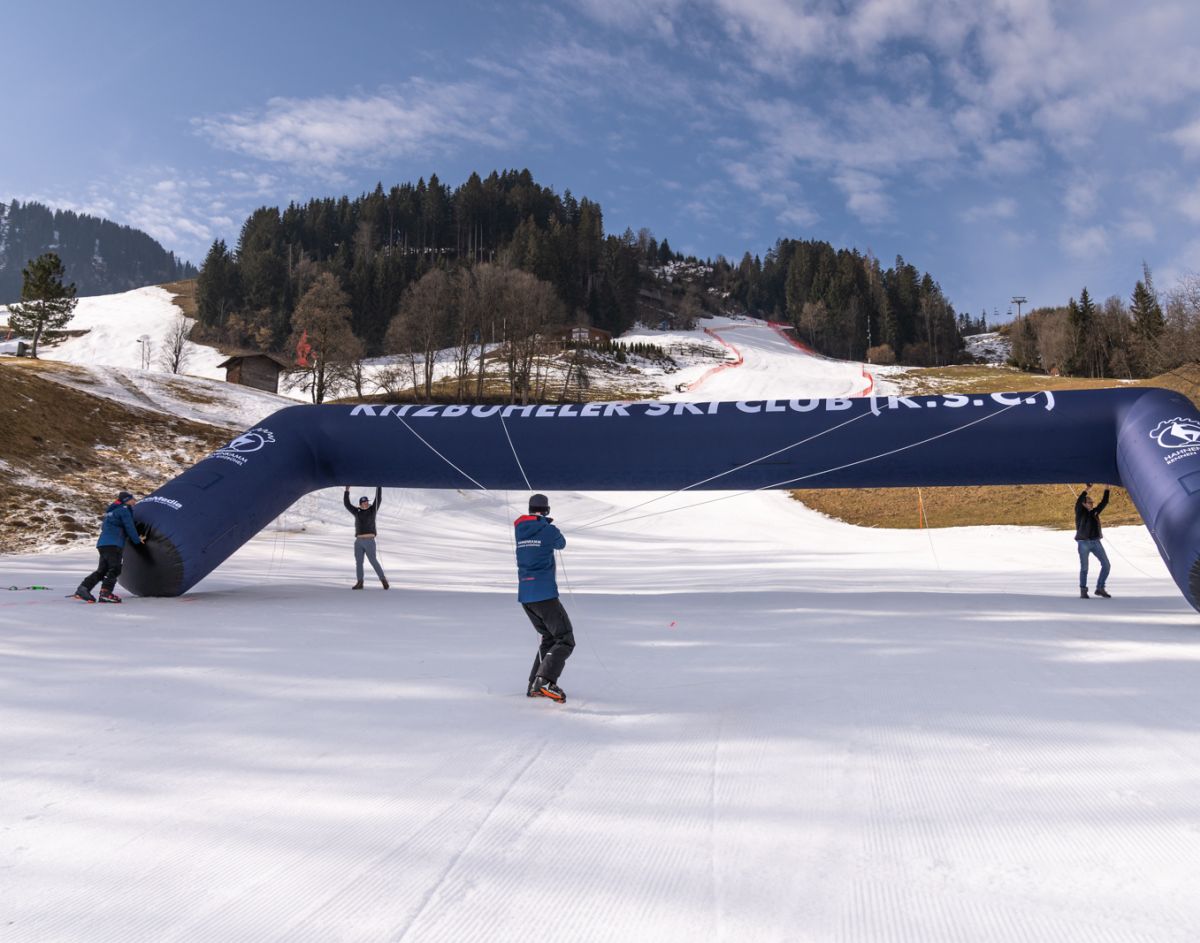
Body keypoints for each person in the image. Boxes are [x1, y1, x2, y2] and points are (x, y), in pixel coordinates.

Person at [515, 493, 574, 702]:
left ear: (530, 509)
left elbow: (535, 534)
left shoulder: (519, 530)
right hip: (544, 594)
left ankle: (535, 684)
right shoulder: (548, 530)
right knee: (565, 639)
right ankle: (545, 680)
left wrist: (542, 522)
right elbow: (561, 543)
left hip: (526, 596)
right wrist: (547, 525)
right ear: (547, 510)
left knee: (549, 638)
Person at [74, 491, 144, 603]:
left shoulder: (111, 512)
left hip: (103, 544)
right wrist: (137, 541)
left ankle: (83, 589)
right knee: (115, 568)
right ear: (126, 500)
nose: (135, 501)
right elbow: (129, 526)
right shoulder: (124, 510)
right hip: (113, 544)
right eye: (132, 499)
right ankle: (106, 593)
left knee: (102, 571)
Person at [344, 486, 389, 590]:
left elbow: (378, 498)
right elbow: (347, 504)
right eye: (363, 502)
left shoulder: (373, 509)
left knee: (373, 561)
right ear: (360, 503)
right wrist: (346, 491)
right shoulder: (357, 511)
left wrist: (379, 486)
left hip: (369, 541)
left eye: (367, 502)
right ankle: (360, 582)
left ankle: (383, 580)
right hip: (358, 541)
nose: (366, 503)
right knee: (359, 562)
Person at [1075, 484, 1111, 599]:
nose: (1092, 504)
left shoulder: (1095, 512)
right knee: (1085, 568)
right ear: (1084, 504)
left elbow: (1104, 502)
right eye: (1089, 502)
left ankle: (1100, 588)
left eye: (1092, 502)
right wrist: (1087, 490)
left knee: (1106, 565)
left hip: (1096, 542)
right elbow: (1079, 501)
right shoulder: (1080, 512)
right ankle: (1083, 590)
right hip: (1083, 543)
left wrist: (1107, 488)